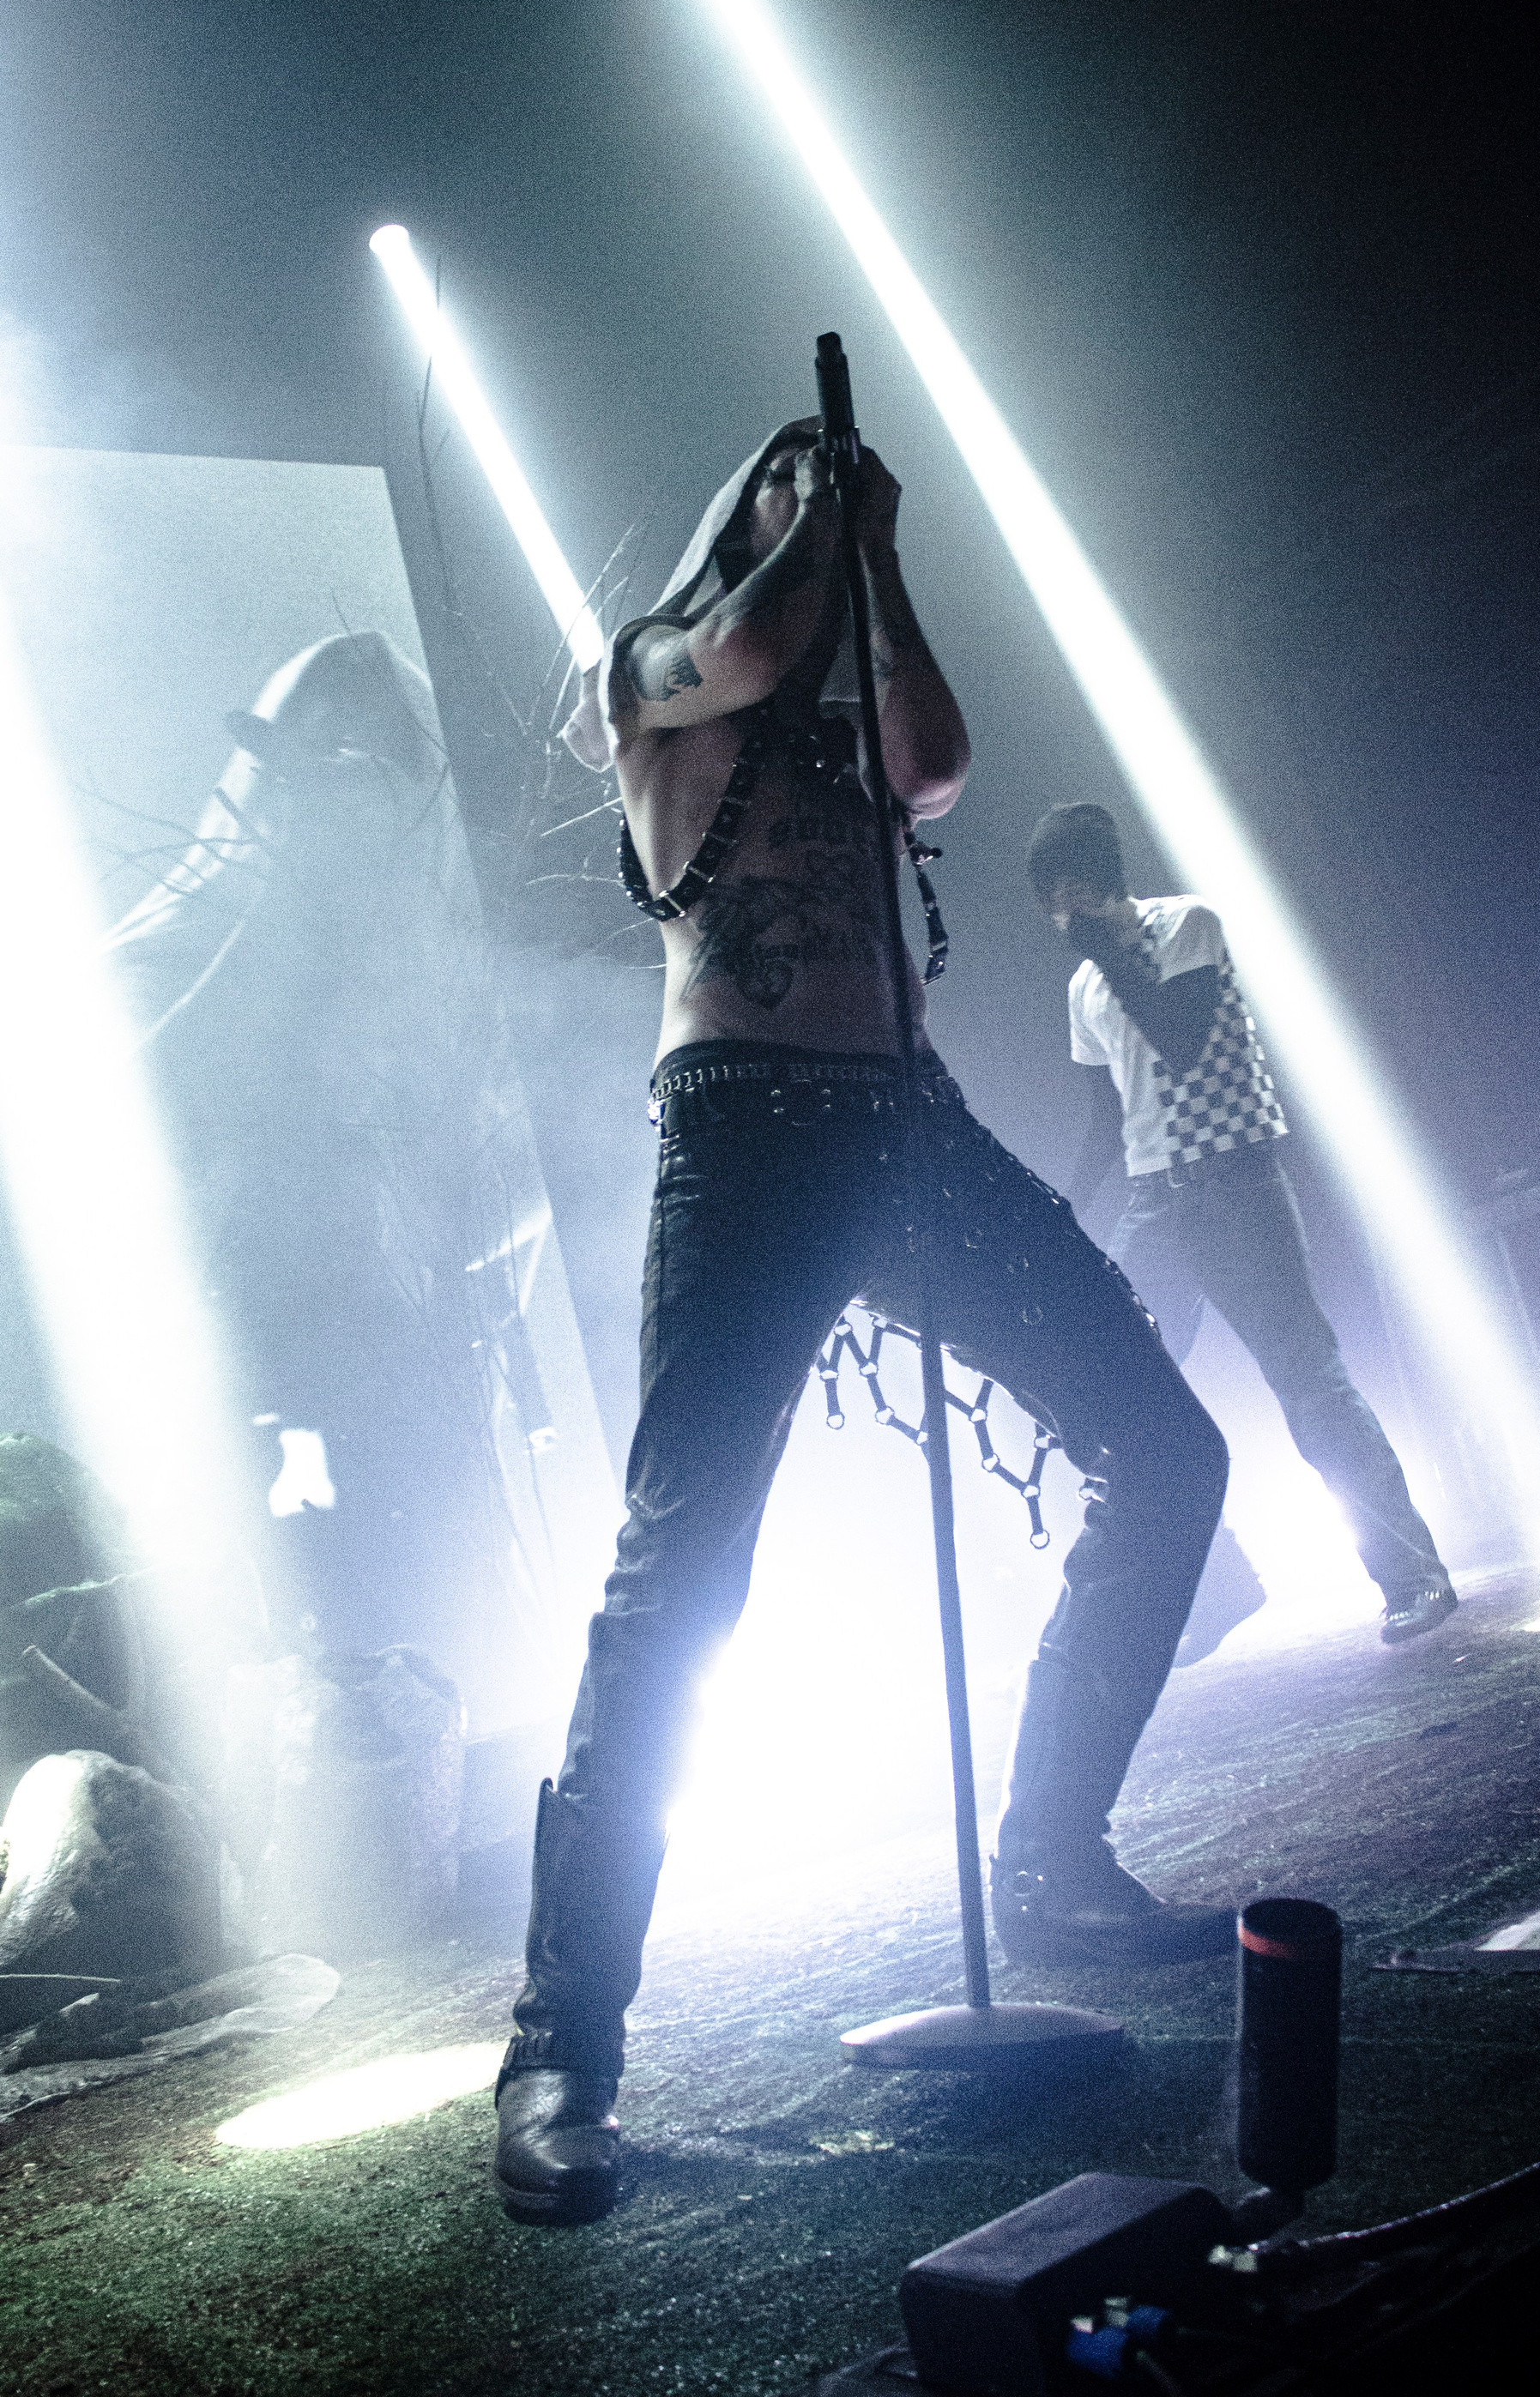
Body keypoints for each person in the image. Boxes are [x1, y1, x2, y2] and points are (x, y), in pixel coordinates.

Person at [494, 426, 1231, 2227]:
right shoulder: (657, 667)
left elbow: (938, 763)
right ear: (731, 517)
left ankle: (1051, 1857)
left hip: (910, 1129)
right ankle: (559, 2047)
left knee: (1170, 1450)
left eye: (829, 480)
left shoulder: (850, 707)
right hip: (745, 1126)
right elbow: (747, 642)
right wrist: (812, 516)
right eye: (782, 477)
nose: (820, 489)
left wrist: (882, 557)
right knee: (680, 1575)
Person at [1029, 800, 1457, 1655]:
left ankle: (1414, 1577)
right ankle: (1220, 1584)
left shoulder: (1186, 925)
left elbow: (1181, 1040)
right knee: (1110, 1385)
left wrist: (1108, 951)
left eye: (1054, 891)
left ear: (1078, 883)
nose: (1051, 913)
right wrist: (1065, 1205)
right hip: (1154, 1201)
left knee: (1308, 1382)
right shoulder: (1082, 985)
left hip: (1236, 1183)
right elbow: (1106, 1114)